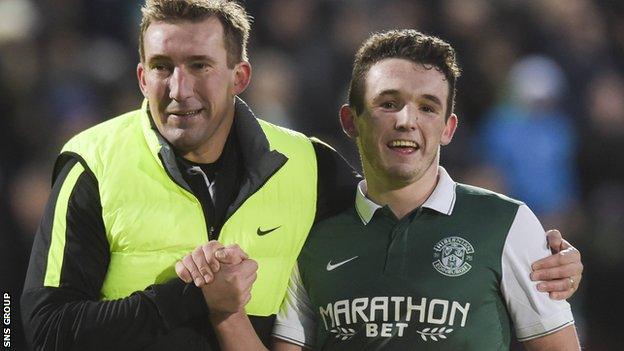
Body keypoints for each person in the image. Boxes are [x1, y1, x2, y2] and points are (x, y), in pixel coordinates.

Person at [21, 1, 581, 350]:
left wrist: (553, 262)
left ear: (239, 75)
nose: (179, 88)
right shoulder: (92, 162)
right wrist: (189, 300)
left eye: (200, 67)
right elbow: (37, 332)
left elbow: (395, 194)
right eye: (163, 67)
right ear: (141, 75)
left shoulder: (309, 169)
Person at [179, 29, 582, 350]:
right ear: (350, 121)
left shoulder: (507, 223)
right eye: (388, 103)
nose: (407, 120)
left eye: (427, 107)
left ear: (448, 128)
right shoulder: (312, 234)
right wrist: (226, 314)